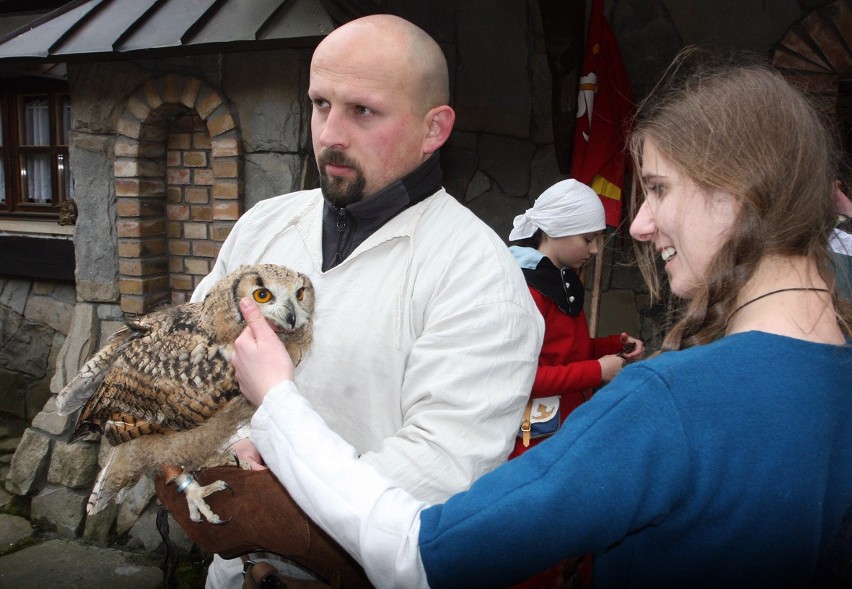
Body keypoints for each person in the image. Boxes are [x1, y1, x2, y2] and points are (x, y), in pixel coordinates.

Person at [231, 49, 852, 588]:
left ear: (737, 191)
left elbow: (417, 555)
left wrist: (280, 403)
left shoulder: (672, 404)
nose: (638, 224)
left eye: (659, 189)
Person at [188, 14, 544, 588]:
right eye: (320, 103)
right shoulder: (263, 227)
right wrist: (231, 451)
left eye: (363, 111)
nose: (330, 133)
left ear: (434, 129)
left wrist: (275, 508)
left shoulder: (477, 275)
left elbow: (442, 465)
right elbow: (194, 364)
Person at [507, 179, 644, 460]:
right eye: (588, 239)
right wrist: (597, 370)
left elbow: (567, 352)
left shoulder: (562, 280)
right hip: (533, 444)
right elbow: (521, 378)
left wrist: (610, 347)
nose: (595, 250)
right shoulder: (527, 289)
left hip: (563, 431)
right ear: (558, 230)